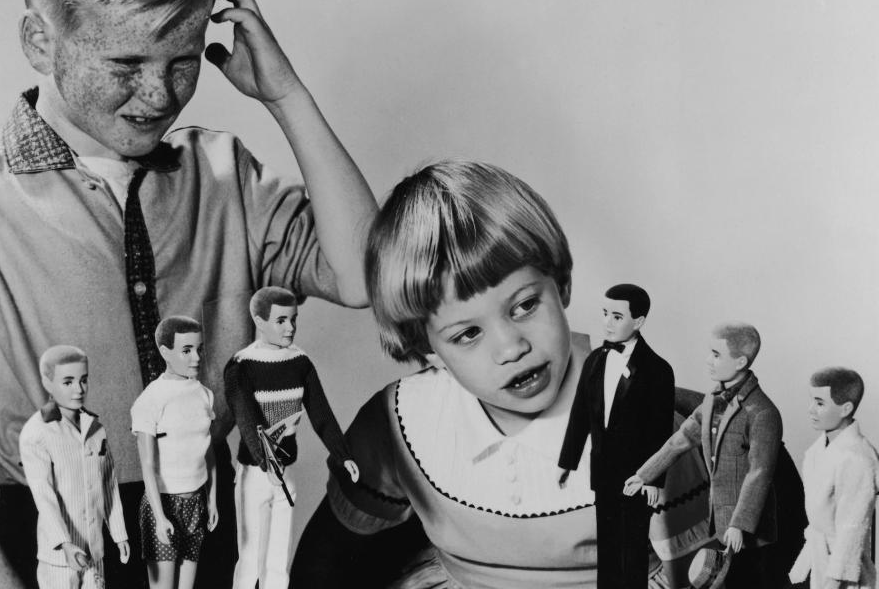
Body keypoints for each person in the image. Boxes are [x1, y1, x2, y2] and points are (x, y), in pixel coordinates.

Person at [0, 0, 376, 589]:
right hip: (52, 540)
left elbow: (360, 276)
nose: (160, 95)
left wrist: (286, 94)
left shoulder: (225, 175)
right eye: (126, 65)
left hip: (208, 525)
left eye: (182, 60)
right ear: (41, 41)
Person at [291, 160, 679, 588]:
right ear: (426, 347)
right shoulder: (404, 421)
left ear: (561, 284)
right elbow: (327, 560)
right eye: (469, 333)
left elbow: (708, 558)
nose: (512, 347)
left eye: (526, 306)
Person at [625, 322, 782, 589]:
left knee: (750, 581)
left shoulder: (762, 412)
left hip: (749, 529)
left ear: (740, 361)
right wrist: (644, 475)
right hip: (720, 520)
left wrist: (739, 524)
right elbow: (681, 439)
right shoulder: (712, 398)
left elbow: (760, 473)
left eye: (716, 354)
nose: (708, 360)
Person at [224, 286, 358, 589]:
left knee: (278, 560)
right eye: (281, 320)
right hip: (256, 475)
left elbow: (320, 413)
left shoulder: (300, 362)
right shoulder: (241, 366)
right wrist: (265, 461)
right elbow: (248, 420)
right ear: (259, 321)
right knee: (250, 557)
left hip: (287, 473)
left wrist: (343, 454)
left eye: (293, 319)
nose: (290, 328)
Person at [557, 283, 675, 589]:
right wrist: (567, 461)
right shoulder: (595, 359)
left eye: (617, 316)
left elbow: (660, 430)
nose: (608, 322)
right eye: (605, 314)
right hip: (604, 473)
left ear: (638, 321)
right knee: (608, 548)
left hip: (636, 477)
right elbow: (581, 413)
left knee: (632, 550)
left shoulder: (657, 370)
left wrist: (652, 478)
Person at [20, 345, 129, 589]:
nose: (79, 389)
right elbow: (44, 497)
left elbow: (108, 485)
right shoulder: (36, 432)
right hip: (60, 557)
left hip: (95, 548)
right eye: (67, 382)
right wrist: (65, 544)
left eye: (83, 380)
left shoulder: (95, 428)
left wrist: (119, 534)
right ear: (48, 383)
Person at [132, 316, 217, 589]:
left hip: (196, 504)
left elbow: (208, 450)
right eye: (186, 350)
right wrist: (159, 517)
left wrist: (212, 500)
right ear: (165, 351)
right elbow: (147, 464)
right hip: (164, 505)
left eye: (198, 349)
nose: (195, 358)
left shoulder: (204, 394)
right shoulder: (151, 399)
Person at [789, 367, 879, 589]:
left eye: (820, 403)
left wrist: (834, 579)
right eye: (812, 401)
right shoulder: (817, 451)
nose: (811, 410)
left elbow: (853, 526)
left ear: (845, 408)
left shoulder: (858, 458)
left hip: (841, 571)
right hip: (815, 558)